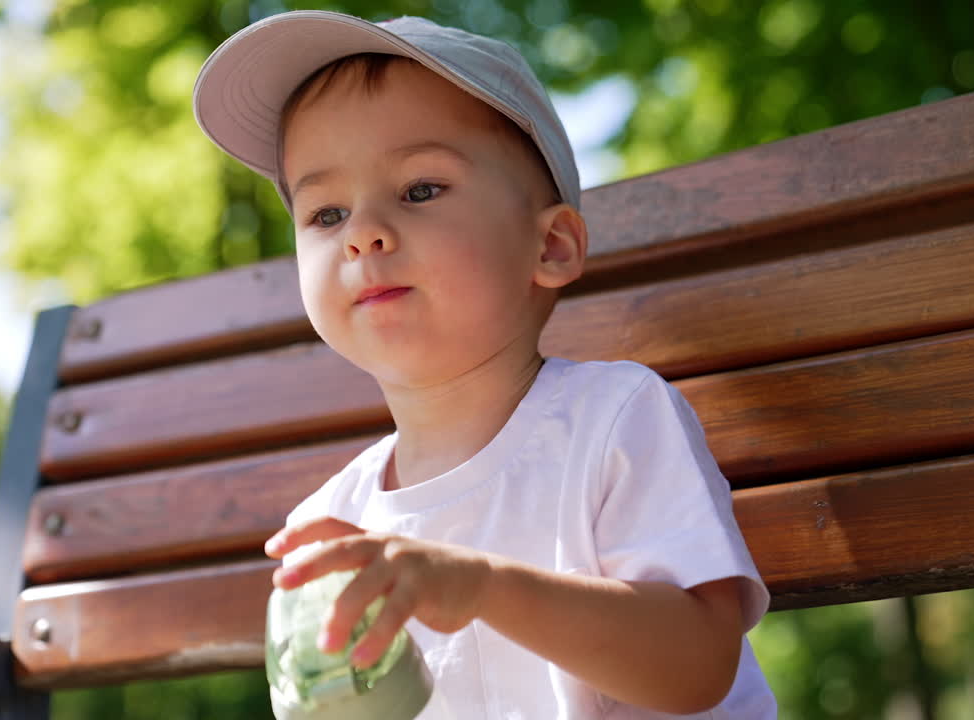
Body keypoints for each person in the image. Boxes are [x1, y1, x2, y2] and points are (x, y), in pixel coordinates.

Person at [193, 10, 775, 718]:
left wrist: (480, 587)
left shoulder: (614, 418)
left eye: (419, 190)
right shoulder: (334, 521)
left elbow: (698, 664)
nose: (364, 234)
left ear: (551, 247)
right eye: (325, 214)